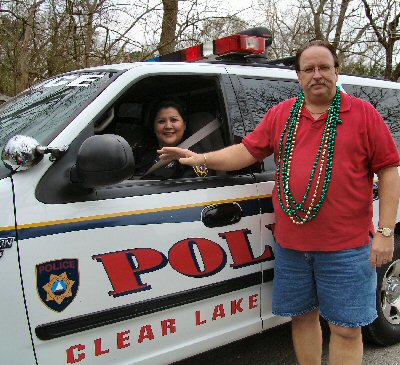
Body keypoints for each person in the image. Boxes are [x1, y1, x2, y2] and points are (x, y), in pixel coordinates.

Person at [158, 40, 400, 365]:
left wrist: (385, 231)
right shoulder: (281, 114)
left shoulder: (363, 114)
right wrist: (200, 157)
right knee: (301, 319)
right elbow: (246, 151)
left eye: (324, 67)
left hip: (346, 250)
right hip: (292, 248)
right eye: (309, 69)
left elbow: (388, 169)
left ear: (336, 71)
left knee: (345, 329)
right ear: (298, 76)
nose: (317, 75)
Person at [135, 100, 208, 179]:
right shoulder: (142, 152)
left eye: (174, 120)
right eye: (161, 121)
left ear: (184, 125)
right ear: (154, 127)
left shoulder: (195, 156)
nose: (168, 126)